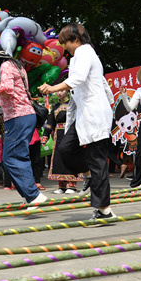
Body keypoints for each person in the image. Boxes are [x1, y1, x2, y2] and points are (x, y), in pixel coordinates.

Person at [38, 23, 115, 221]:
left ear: (76, 39)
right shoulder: (81, 56)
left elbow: (78, 79)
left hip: (94, 115)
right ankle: (88, 173)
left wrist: (53, 88)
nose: (65, 48)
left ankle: (104, 209)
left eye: (66, 43)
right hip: (83, 116)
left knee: (98, 162)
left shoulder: (84, 52)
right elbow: (102, 85)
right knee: (65, 149)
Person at [0, 42, 47, 207]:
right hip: (22, 115)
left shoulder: (6, 67)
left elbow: (7, 89)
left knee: (13, 157)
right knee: (14, 157)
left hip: (18, 116)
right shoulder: (16, 65)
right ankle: (29, 195)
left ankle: (33, 195)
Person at [44, 92, 82, 193]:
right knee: (59, 158)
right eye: (57, 91)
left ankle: (71, 185)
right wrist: (45, 135)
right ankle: (62, 186)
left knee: (70, 157)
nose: (59, 93)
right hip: (58, 135)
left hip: (71, 133)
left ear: (66, 91)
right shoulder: (55, 106)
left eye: (61, 91)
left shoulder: (72, 103)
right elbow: (50, 122)